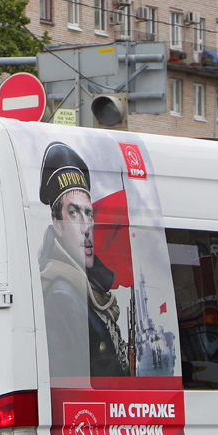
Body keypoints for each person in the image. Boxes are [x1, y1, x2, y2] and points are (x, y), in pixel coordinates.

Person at [37, 142, 130, 377]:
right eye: (73, 213)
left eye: (88, 213)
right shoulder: (63, 296)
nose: (85, 227)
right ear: (56, 224)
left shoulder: (89, 288)